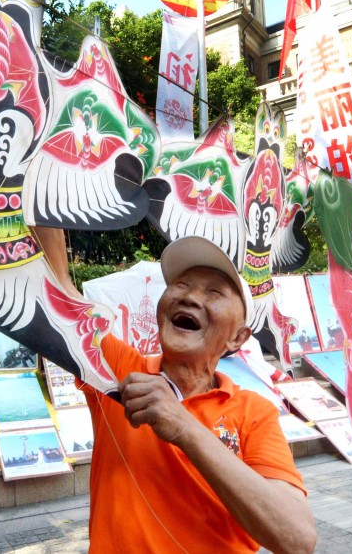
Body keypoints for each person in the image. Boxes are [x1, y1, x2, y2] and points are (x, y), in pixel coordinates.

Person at [81, 236, 317, 553]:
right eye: (180, 285)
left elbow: (297, 539)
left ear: (237, 337)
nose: (190, 298)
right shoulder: (120, 368)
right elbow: (54, 290)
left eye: (214, 292)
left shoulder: (254, 412)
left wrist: (183, 427)